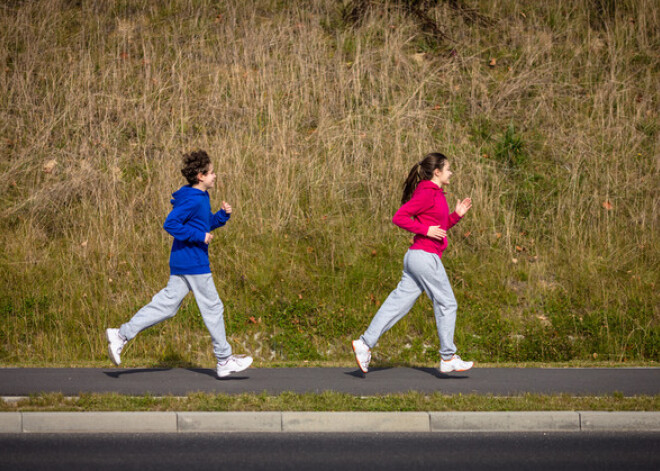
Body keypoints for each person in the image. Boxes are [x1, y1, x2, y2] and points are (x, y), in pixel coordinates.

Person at [106, 150, 253, 378]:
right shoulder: (194, 199)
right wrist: (199, 237)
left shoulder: (200, 198)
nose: (215, 176)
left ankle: (121, 334)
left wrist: (221, 216)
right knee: (213, 307)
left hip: (183, 261)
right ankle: (224, 360)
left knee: (166, 306)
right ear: (201, 176)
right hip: (194, 263)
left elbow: (202, 225)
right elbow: (170, 224)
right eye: (212, 173)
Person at [352, 152, 473, 374]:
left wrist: (456, 215)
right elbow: (399, 217)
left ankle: (365, 343)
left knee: (398, 304)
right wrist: (424, 229)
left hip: (419, 257)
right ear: (437, 172)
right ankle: (448, 357)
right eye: (448, 169)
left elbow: (439, 228)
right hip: (424, 257)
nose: (451, 172)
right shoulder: (427, 193)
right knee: (447, 303)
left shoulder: (436, 194)